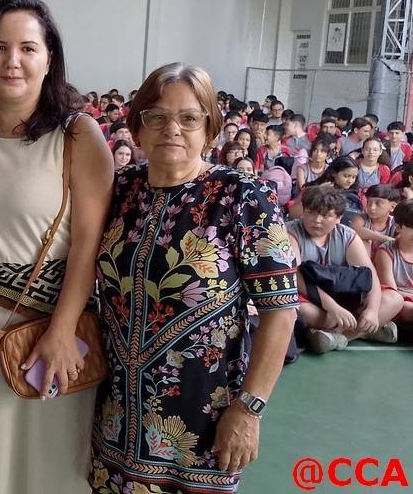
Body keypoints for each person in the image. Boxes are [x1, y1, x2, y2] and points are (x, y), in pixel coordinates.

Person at [0, 0, 113, 493]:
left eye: (28, 48)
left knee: (49, 455)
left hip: (50, 323)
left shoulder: (78, 136)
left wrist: (62, 329)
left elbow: (87, 245)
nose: (12, 60)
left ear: (49, 58)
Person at [92, 62, 298, 494]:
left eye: (189, 118)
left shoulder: (243, 196)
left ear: (210, 130)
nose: (172, 129)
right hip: (114, 420)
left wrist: (249, 409)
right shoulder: (119, 189)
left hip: (205, 424)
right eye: (157, 117)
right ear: (137, 128)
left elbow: (281, 312)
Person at [286, 186, 399, 353]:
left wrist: (372, 310)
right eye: (310, 212)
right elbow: (295, 276)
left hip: (342, 294)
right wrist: (333, 308)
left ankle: (338, 337)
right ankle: (361, 332)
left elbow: (369, 274)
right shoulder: (290, 232)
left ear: (339, 218)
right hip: (310, 297)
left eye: (325, 215)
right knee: (297, 308)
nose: (316, 220)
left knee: (394, 299)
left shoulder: (347, 235)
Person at [373, 200, 413, 328]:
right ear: (398, 227)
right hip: (399, 300)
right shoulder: (386, 251)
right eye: (411, 227)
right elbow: (391, 290)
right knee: (405, 307)